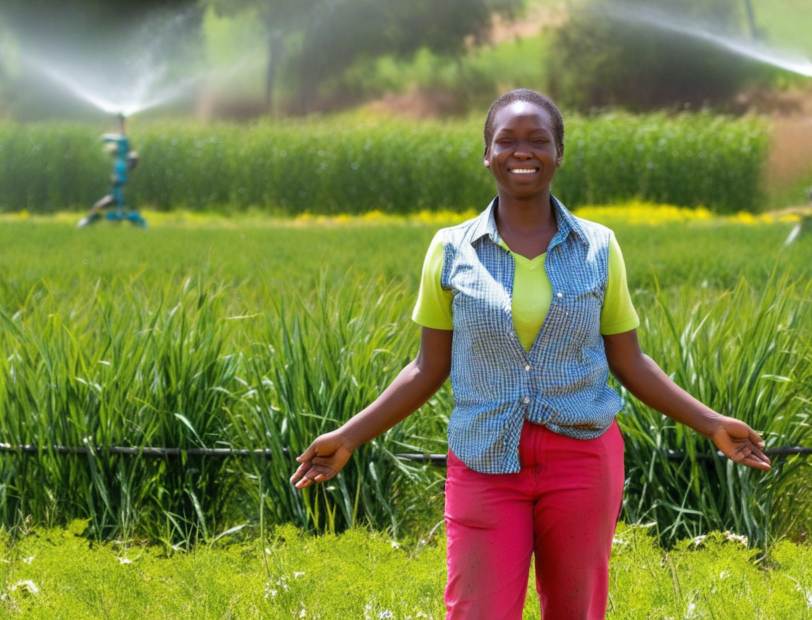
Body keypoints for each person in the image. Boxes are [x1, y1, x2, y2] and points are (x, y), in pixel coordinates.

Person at [291, 89, 770, 619]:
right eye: (507, 141)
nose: (522, 151)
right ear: (487, 154)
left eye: (538, 140)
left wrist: (711, 423)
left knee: (575, 610)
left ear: (558, 153)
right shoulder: (450, 250)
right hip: (484, 457)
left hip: (582, 459)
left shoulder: (598, 247)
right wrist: (349, 436)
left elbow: (629, 360)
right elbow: (428, 367)